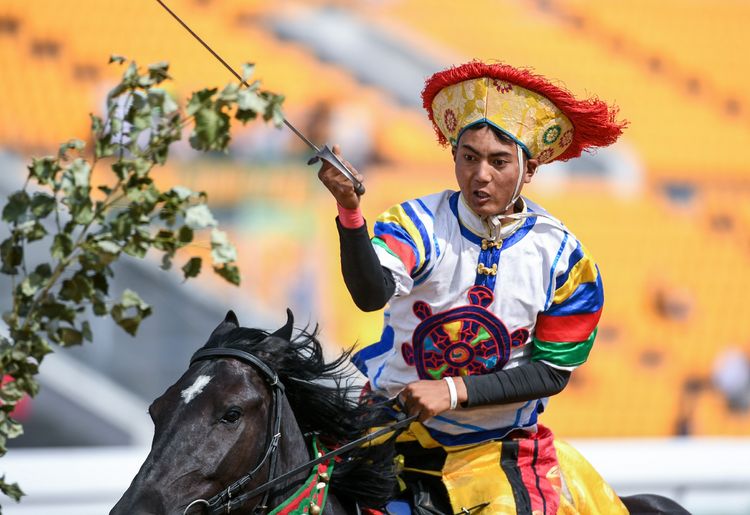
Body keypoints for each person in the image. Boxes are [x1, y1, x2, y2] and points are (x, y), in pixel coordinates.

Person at [318, 61, 627, 514]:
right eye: (468, 158)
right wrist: (350, 212)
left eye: (498, 162)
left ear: (529, 168)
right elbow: (370, 295)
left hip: (496, 448)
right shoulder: (416, 223)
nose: (480, 175)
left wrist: (452, 391)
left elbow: (551, 373)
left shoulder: (564, 258)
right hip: (386, 431)